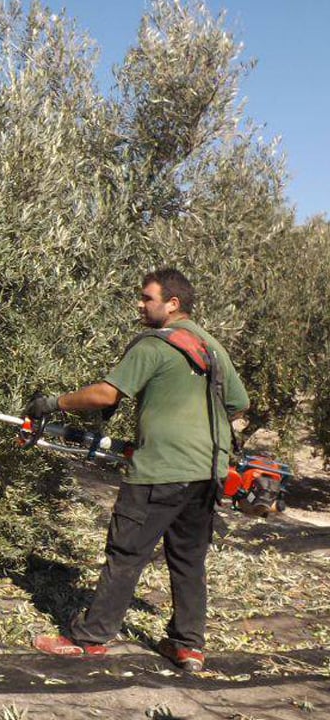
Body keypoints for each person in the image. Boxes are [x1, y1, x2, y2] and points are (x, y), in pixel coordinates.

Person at [27, 268, 248, 673]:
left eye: (147, 298)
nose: (140, 305)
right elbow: (238, 403)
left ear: (172, 303)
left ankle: (89, 639)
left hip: (160, 471)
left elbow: (105, 394)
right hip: (208, 473)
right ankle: (188, 647)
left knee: (126, 554)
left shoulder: (154, 345)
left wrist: (53, 403)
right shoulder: (211, 345)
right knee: (188, 559)